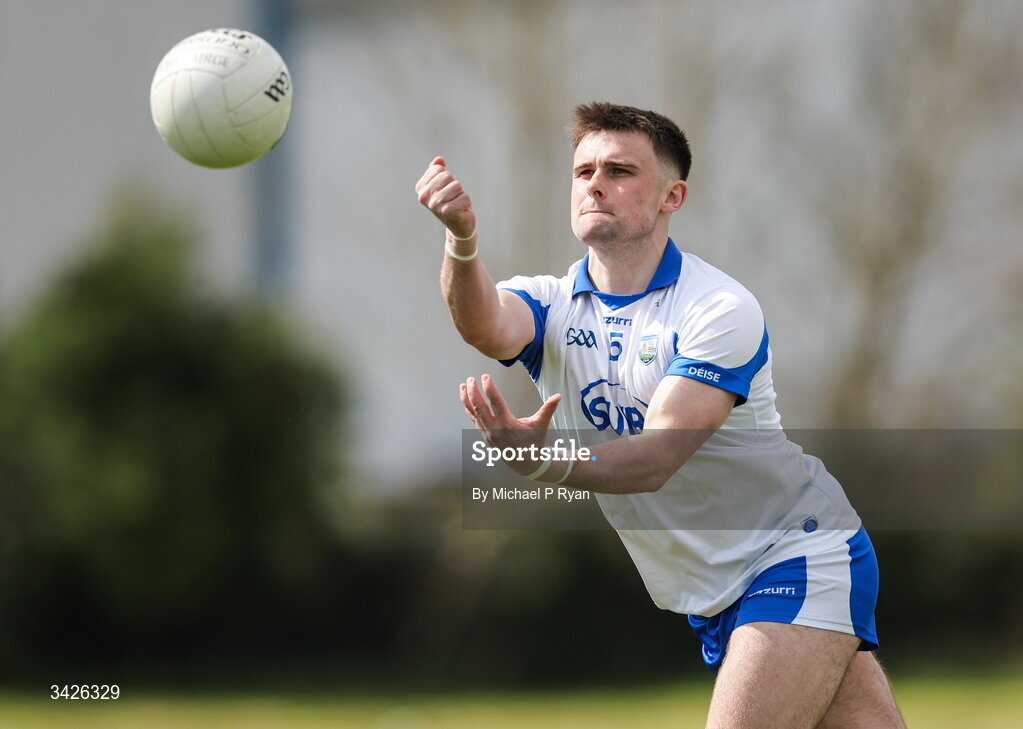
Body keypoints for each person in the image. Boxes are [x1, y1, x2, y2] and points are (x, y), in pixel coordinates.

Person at [415, 102, 905, 729]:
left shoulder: (718, 308)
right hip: (710, 591)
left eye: (620, 170)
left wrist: (542, 462)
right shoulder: (551, 303)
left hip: (796, 553)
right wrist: (461, 239)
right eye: (583, 170)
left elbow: (654, 459)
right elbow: (483, 322)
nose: (595, 182)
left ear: (673, 195)